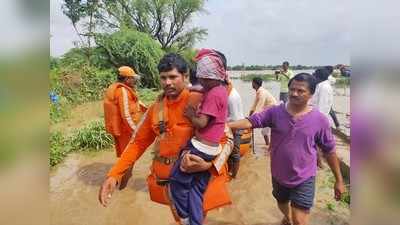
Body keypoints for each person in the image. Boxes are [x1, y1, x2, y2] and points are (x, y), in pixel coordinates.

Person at [98, 53, 233, 224]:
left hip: (198, 179)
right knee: (182, 218)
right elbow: (137, 143)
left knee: (198, 217)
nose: (167, 82)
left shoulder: (202, 101)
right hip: (170, 182)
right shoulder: (156, 109)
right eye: (163, 78)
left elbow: (227, 139)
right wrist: (114, 175)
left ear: (185, 76)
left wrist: (209, 165)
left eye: (173, 77)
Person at [229, 73, 345, 225]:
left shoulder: (320, 120)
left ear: (311, 94)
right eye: (291, 89)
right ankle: (287, 217)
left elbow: (329, 151)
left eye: (300, 91)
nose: (294, 93)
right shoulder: (275, 112)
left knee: (300, 220)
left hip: (305, 177)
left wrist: (339, 180)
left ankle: (293, 219)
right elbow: (252, 121)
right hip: (279, 174)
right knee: (282, 202)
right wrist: (227, 126)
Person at [168, 49, 228, 225]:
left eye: (202, 78)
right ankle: (196, 222)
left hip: (201, 147)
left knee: (176, 180)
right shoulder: (221, 89)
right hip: (212, 147)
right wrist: (190, 88)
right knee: (195, 189)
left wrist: (190, 114)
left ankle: (185, 218)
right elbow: (200, 88)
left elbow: (201, 123)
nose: (199, 81)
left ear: (210, 77)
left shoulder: (213, 94)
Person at [103, 66, 146, 189]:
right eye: (133, 78)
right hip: (127, 132)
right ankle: (122, 187)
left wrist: (148, 110)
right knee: (128, 159)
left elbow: (136, 103)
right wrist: (136, 132)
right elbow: (126, 115)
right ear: (127, 79)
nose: (135, 81)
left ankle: (123, 183)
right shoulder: (122, 91)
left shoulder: (127, 90)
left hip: (128, 130)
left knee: (128, 160)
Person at [249, 77, 277, 146]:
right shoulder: (258, 91)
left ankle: (268, 146)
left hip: (273, 113)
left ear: (255, 84)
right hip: (268, 112)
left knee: (265, 131)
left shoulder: (262, 93)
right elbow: (254, 105)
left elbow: (259, 108)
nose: (251, 84)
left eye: (252, 82)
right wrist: (250, 115)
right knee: (265, 131)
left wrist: (251, 120)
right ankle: (268, 145)